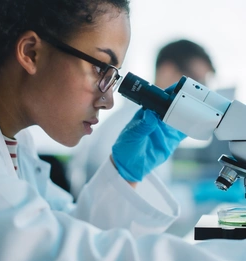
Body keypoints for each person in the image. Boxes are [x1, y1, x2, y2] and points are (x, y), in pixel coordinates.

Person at [0, 2, 246, 261]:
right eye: (101, 68)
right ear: (31, 52)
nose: (108, 101)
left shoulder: (14, 143)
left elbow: (74, 235)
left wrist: (122, 174)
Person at [68, 38, 216, 198]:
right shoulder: (133, 124)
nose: (201, 94)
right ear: (167, 70)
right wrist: (195, 196)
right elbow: (130, 202)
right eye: (197, 82)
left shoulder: (159, 124)